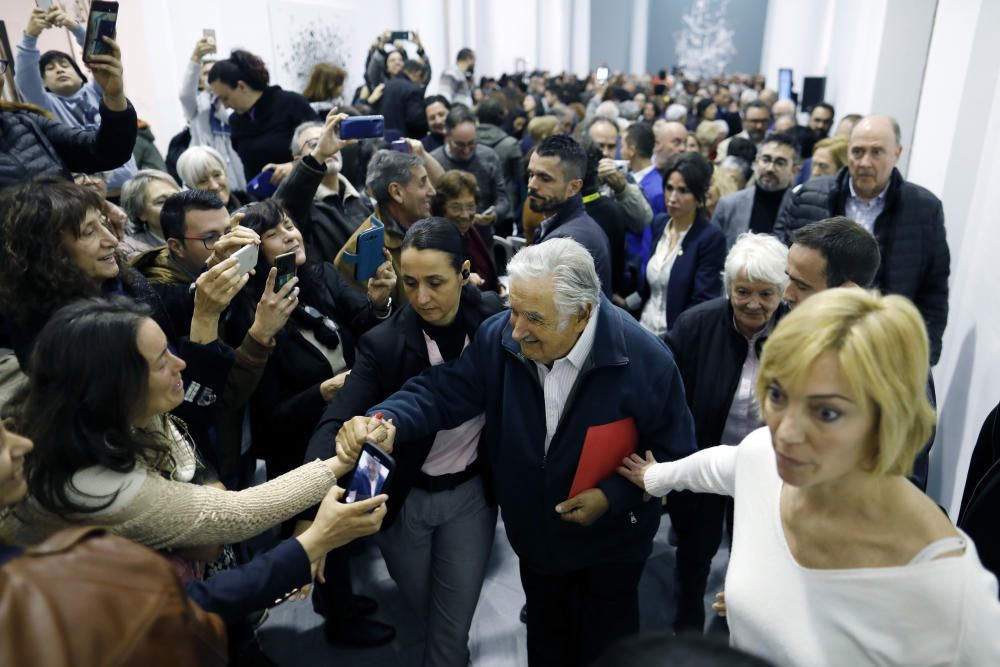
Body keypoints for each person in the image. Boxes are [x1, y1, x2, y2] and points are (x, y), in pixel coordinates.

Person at [340, 238, 697, 666]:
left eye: (534, 318)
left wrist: (612, 497)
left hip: (613, 548)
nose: (517, 330)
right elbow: (445, 391)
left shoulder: (646, 360)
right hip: (537, 540)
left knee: (608, 648)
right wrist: (387, 419)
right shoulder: (500, 340)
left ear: (582, 313)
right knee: (546, 643)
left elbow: (675, 457)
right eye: (513, 309)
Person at [620, 288, 1000, 666]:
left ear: (887, 421)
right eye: (778, 394)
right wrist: (656, 476)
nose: (784, 433)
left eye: (826, 413)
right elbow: (719, 465)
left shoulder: (950, 590)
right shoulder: (764, 457)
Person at [307, 218, 503, 666]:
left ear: (465, 271)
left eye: (435, 282)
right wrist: (311, 506)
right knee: (427, 610)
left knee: (450, 628)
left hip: (473, 494)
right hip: (404, 501)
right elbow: (333, 422)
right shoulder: (385, 343)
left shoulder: (496, 320)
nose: (421, 298)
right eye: (410, 283)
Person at [664, 233, 789, 632]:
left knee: (753, 553)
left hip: (767, 469)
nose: (754, 303)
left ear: (783, 292)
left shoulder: (799, 334)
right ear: (728, 288)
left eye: (766, 293)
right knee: (695, 549)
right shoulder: (695, 326)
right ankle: (687, 616)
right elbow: (670, 400)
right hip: (705, 460)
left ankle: (736, 626)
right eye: (743, 291)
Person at [774, 115, 950, 365]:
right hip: (808, 337)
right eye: (857, 151)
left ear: (897, 153)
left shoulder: (924, 209)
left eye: (877, 152)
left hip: (881, 350)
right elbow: (785, 264)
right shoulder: (809, 195)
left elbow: (934, 291)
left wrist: (922, 358)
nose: (865, 162)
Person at [238, 199, 394, 480]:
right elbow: (270, 419)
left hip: (356, 423)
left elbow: (363, 322)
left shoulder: (322, 275)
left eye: (289, 225)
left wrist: (379, 303)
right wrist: (322, 391)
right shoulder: (251, 317)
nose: (289, 235)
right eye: (273, 234)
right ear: (254, 253)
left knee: (368, 511)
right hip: (301, 453)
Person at [15, 6, 138, 194]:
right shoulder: (46, 105)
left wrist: (75, 27)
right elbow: (25, 79)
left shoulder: (99, 90)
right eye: (50, 68)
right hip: (89, 196)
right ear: (44, 83)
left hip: (130, 188)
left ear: (81, 74)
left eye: (64, 65)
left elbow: (99, 55)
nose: (59, 69)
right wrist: (30, 37)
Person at [334, 148, 440, 303]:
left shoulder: (429, 225)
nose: (432, 191)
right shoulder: (360, 252)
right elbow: (370, 318)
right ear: (396, 192)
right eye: (423, 183)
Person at [638, 152, 726, 334]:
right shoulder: (659, 223)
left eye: (683, 191)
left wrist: (675, 341)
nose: (672, 198)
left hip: (677, 339)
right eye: (669, 188)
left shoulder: (709, 238)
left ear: (699, 196)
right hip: (643, 329)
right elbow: (648, 288)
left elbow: (702, 303)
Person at [274, 113, 373, 263]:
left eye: (331, 140)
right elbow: (280, 206)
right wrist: (318, 155)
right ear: (298, 160)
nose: (329, 148)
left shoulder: (362, 201)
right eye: (315, 144)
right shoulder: (302, 209)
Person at [208, 49, 319, 181]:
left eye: (225, 98)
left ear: (241, 86)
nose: (225, 106)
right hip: (264, 198)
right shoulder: (236, 121)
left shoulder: (292, 104)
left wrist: (294, 166)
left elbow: (323, 148)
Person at [528, 135, 613, 297]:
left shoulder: (565, 241)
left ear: (574, 187)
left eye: (545, 178)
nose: (532, 185)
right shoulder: (576, 224)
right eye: (531, 174)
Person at [430, 106, 510, 245]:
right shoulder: (434, 162)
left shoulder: (489, 157)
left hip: (483, 240)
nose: (466, 150)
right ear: (447, 135)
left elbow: (503, 198)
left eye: (472, 143)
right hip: (445, 241)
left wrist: (495, 214)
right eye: (460, 145)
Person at [180, 36, 247, 191]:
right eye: (205, 74)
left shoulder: (231, 102)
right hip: (209, 179)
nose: (210, 78)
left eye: (213, 73)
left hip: (238, 177)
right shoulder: (196, 106)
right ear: (199, 80)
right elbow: (184, 94)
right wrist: (196, 58)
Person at [711, 132, 800, 249]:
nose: (770, 168)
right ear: (756, 162)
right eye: (766, 159)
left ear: (794, 171)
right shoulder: (728, 205)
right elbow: (712, 255)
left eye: (780, 163)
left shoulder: (799, 209)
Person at [430, 170, 500, 291]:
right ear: (441, 208)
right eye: (456, 207)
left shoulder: (469, 232)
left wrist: (500, 287)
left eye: (470, 206)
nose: (465, 215)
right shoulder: (434, 239)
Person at [477, 97, 526, 234]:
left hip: (472, 209)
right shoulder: (510, 144)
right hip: (504, 209)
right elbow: (520, 179)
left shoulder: (466, 140)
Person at [119, 169, 180, 257]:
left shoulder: (199, 231)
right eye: (161, 201)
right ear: (140, 212)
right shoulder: (135, 252)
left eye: (176, 196)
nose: (175, 204)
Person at [176, 145, 254, 212]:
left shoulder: (250, 203)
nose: (214, 186)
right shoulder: (194, 226)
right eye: (203, 181)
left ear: (225, 172)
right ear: (190, 188)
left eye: (217, 175)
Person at [381, 59, 429, 139]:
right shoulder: (414, 90)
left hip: (385, 140)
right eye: (420, 81)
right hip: (405, 143)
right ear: (418, 74)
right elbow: (416, 121)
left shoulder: (386, 86)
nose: (419, 84)